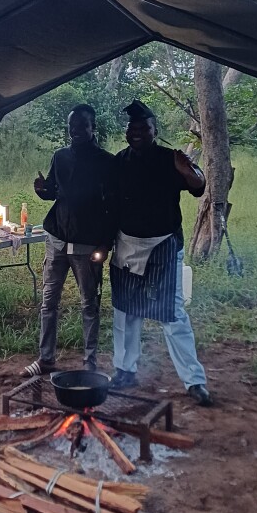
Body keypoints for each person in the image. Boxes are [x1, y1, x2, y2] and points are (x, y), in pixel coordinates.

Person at [110, 99, 213, 406]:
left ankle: (194, 380)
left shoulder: (171, 159)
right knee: (125, 311)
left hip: (163, 244)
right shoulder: (119, 161)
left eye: (143, 128)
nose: (136, 132)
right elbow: (110, 203)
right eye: (132, 128)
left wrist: (186, 169)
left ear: (155, 131)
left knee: (173, 313)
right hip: (126, 244)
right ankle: (125, 370)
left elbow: (199, 186)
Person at [21, 104, 115, 377]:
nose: (76, 131)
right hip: (57, 237)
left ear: (93, 127)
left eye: (82, 125)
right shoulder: (60, 156)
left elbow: (113, 207)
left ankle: (90, 364)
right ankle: (46, 359)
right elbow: (53, 191)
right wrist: (42, 190)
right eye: (72, 126)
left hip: (87, 243)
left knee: (89, 304)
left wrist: (105, 244)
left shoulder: (106, 162)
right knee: (49, 301)